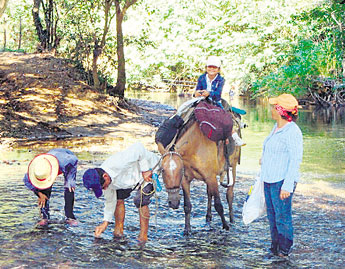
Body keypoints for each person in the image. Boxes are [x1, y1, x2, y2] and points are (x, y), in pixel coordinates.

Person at [82, 142, 160, 243]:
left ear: (105, 176)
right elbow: (110, 202)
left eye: (103, 186)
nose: (104, 189)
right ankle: (119, 231)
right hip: (128, 180)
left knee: (140, 200)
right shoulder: (105, 182)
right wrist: (105, 223)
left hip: (150, 169)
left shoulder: (118, 163)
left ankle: (143, 237)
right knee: (118, 198)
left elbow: (138, 148)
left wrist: (145, 170)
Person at [260, 93, 303, 258]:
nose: (271, 109)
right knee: (272, 216)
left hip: (282, 181)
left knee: (282, 217)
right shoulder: (277, 127)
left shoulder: (293, 132)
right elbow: (274, 149)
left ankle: (284, 251)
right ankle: (275, 247)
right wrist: (264, 158)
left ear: (280, 110)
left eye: (274, 107)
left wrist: (287, 185)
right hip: (269, 178)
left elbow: (295, 160)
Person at [193, 55, 246, 146]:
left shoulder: (220, 80)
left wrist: (209, 93)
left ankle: (234, 136)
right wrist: (196, 93)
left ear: (218, 69)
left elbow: (218, 94)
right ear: (206, 68)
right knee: (186, 113)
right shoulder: (201, 78)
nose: (212, 69)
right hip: (202, 101)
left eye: (214, 67)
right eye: (210, 66)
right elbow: (197, 90)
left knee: (224, 118)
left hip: (215, 102)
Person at [23, 148, 78, 226]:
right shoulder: (35, 171)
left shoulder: (67, 161)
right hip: (49, 161)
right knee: (43, 191)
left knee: (69, 187)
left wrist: (71, 181)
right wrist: (39, 194)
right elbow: (28, 183)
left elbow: (74, 159)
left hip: (68, 163)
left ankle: (70, 217)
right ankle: (44, 217)